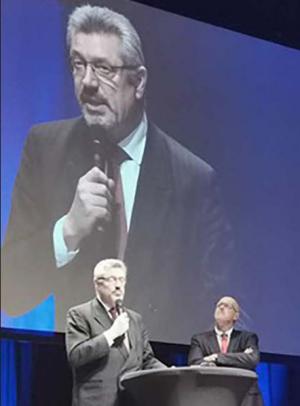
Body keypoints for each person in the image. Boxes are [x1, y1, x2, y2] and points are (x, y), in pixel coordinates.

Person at [2, 4, 234, 340]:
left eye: (103, 68)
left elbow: (209, 311)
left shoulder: (193, 180)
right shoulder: (45, 149)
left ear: (138, 81)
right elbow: (10, 292)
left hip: (158, 380)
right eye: (78, 65)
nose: (87, 83)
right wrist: (67, 231)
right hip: (69, 376)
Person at [66, 258, 165, 406]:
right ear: (97, 283)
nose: (118, 286)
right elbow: (76, 356)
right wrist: (111, 334)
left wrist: (168, 372)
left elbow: (146, 359)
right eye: (112, 279)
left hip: (131, 400)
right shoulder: (80, 314)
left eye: (121, 279)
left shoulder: (135, 319)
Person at [188, 296, 263, 406]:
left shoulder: (248, 338)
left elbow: (252, 360)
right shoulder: (199, 339)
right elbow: (195, 363)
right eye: (219, 305)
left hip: (243, 398)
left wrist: (217, 358)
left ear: (236, 316)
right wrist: (238, 358)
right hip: (211, 396)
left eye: (227, 306)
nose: (221, 307)